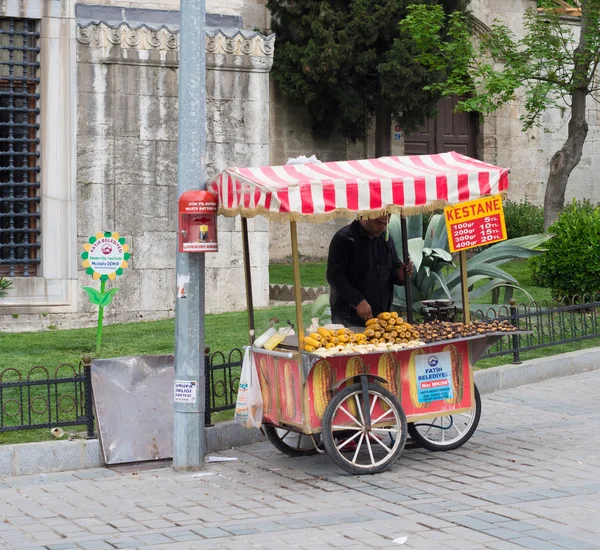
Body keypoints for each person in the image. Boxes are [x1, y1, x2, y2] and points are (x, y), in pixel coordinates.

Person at [326, 214, 413, 328]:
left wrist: (401, 274)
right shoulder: (345, 238)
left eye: (385, 223)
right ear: (366, 216)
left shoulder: (385, 238)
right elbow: (334, 276)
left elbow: (394, 269)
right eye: (378, 223)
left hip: (381, 316)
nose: (382, 227)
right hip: (350, 317)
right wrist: (357, 300)